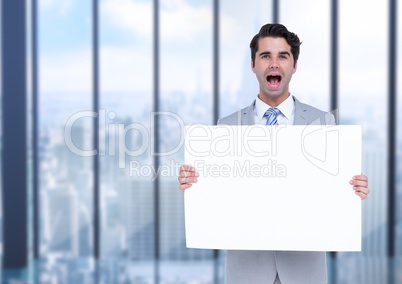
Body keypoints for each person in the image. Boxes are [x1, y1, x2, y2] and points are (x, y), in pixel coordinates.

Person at [178, 23, 370, 284]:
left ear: (294, 66)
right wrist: (194, 185)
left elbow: (330, 194)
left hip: (304, 271)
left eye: (283, 56)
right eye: (265, 56)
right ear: (253, 65)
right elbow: (217, 196)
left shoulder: (323, 123)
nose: (274, 63)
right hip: (247, 271)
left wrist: (352, 190)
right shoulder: (226, 127)